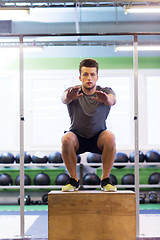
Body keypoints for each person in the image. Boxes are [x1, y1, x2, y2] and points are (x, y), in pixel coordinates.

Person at [61, 58, 117, 192]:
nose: (89, 78)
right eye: (85, 74)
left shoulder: (105, 91)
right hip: (77, 137)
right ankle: (73, 180)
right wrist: (69, 98)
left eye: (92, 74)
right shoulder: (72, 91)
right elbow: (64, 98)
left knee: (110, 136)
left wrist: (106, 100)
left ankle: (105, 180)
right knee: (66, 139)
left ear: (97, 77)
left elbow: (112, 100)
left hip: (99, 138)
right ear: (80, 77)